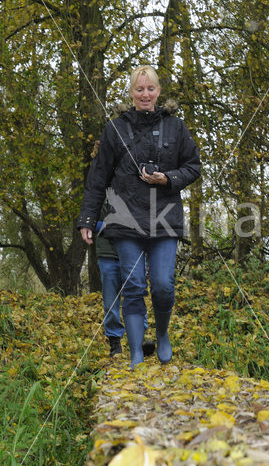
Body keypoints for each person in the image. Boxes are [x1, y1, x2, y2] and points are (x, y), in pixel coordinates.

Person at [78, 64, 201, 368]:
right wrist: (87, 219)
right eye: (139, 89)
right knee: (132, 285)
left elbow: (193, 167)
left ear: (159, 92)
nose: (145, 94)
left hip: (165, 219)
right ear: (132, 93)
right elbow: (98, 178)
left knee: (162, 285)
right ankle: (135, 352)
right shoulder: (114, 129)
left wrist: (168, 178)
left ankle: (161, 335)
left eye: (150, 89)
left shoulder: (177, 127)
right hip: (125, 221)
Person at [95, 200, 154, 358]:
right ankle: (115, 342)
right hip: (108, 255)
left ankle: (140, 339)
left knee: (136, 294)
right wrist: (114, 228)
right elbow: (91, 221)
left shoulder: (136, 193)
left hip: (134, 253)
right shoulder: (102, 194)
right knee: (111, 301)